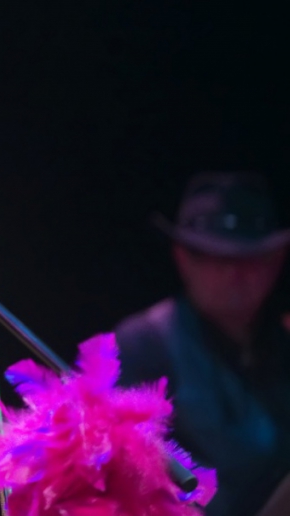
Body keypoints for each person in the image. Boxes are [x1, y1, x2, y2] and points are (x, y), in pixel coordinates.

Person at [115, 172, 290, 516]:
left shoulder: (283, 344)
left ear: (275, 261)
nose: (234, 275)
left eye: (249, 259)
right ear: (182, 258)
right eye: (218, 259)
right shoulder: (144, 344)